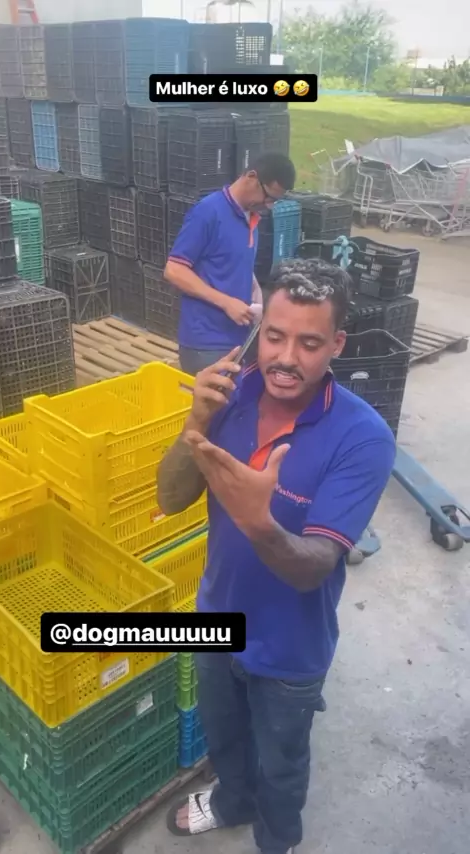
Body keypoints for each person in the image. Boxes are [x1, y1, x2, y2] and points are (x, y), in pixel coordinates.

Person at [157, 258, 396, 854]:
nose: (286, 358)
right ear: (258, 331)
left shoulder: (362, 437)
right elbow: (170, 498)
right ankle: (231, 801)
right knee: (224, 735)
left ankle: (277, 837)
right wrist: (197, 421)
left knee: (282, 759)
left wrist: (258, 522)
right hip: (217, 617)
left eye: (309, 343)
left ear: (337, 345)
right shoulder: (230, 394)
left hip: (292, 646)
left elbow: (314, 566)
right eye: (275, 336)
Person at [164, 152, 296, 376]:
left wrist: (254, 289)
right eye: (268, 197)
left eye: (275, 201)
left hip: (238, 336)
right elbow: (174, 270)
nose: (269, 206)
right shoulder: (208, 212)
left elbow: (232, 261)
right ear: (251, 177)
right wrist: (226, 302)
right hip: (206, 343)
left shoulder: (251, 217)